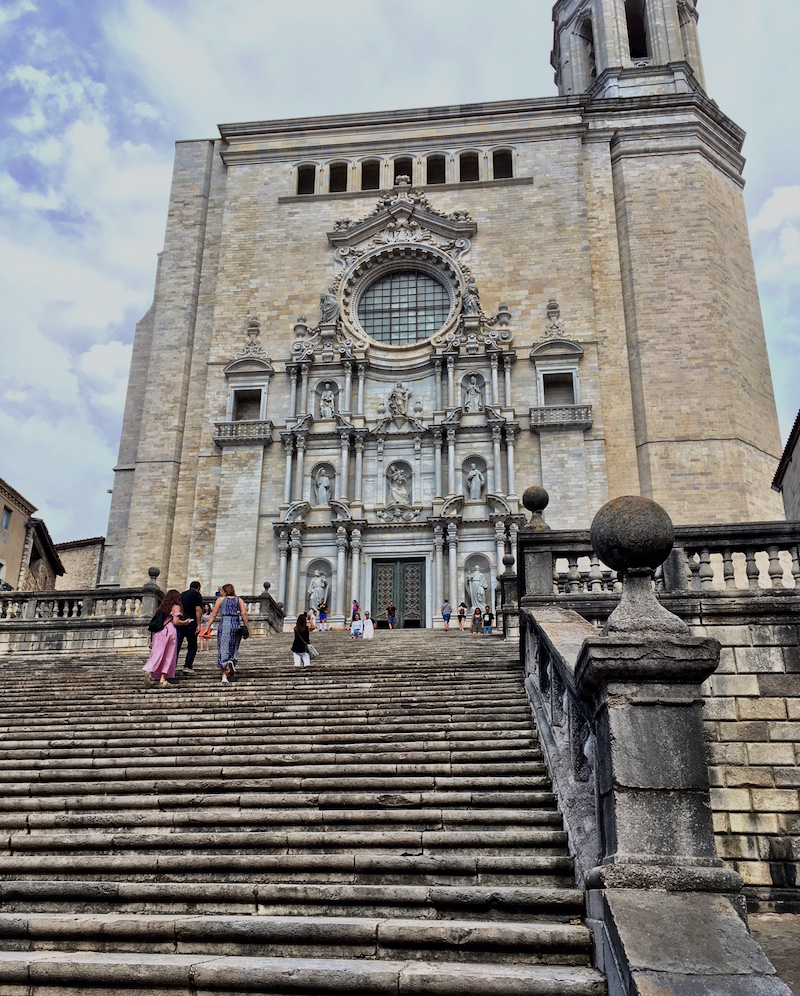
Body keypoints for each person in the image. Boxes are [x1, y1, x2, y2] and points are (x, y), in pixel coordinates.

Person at [143, 589, 193, 687]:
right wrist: (185, 622)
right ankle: (162, 679)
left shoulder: (162, 607)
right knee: (169, 655)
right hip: (169, 631)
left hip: (158, 633)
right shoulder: (176, 607)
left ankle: (149, 670)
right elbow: (175, 622)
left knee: (157, 653)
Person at [206, 583, 249, 685]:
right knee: (234, 646)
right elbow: (244, 613)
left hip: (225, 623)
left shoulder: (220, 600)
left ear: (224, 591)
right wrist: (247, 627)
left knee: (223, 648)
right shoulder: (239, 600)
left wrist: (207, 627)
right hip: (235, 623)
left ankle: (224, 675)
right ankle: (232, 661)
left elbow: (213, 615)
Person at [176, 580, 204, 671]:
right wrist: (199, 624)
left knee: (177, 645)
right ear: (198, 588)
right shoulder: (197, 595)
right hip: (191, 623)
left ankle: (172, 665)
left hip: (181, 622)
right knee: (192, 646)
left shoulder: (182, 594)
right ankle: (187, 666)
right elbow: (198, 609)